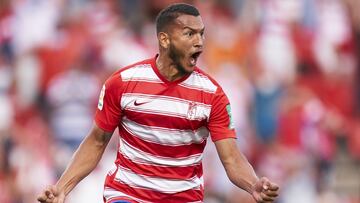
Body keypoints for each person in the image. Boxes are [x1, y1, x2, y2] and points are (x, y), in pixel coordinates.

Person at [37, 3, 279, 203]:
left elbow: (232, 158)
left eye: (201, 34)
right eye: (189, 34)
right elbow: (96, 142)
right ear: (164, 39)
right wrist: (62, 187)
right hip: (128, 195)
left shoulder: (212, 94)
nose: (199, 42)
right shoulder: (122, 83)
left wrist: (253, 184)